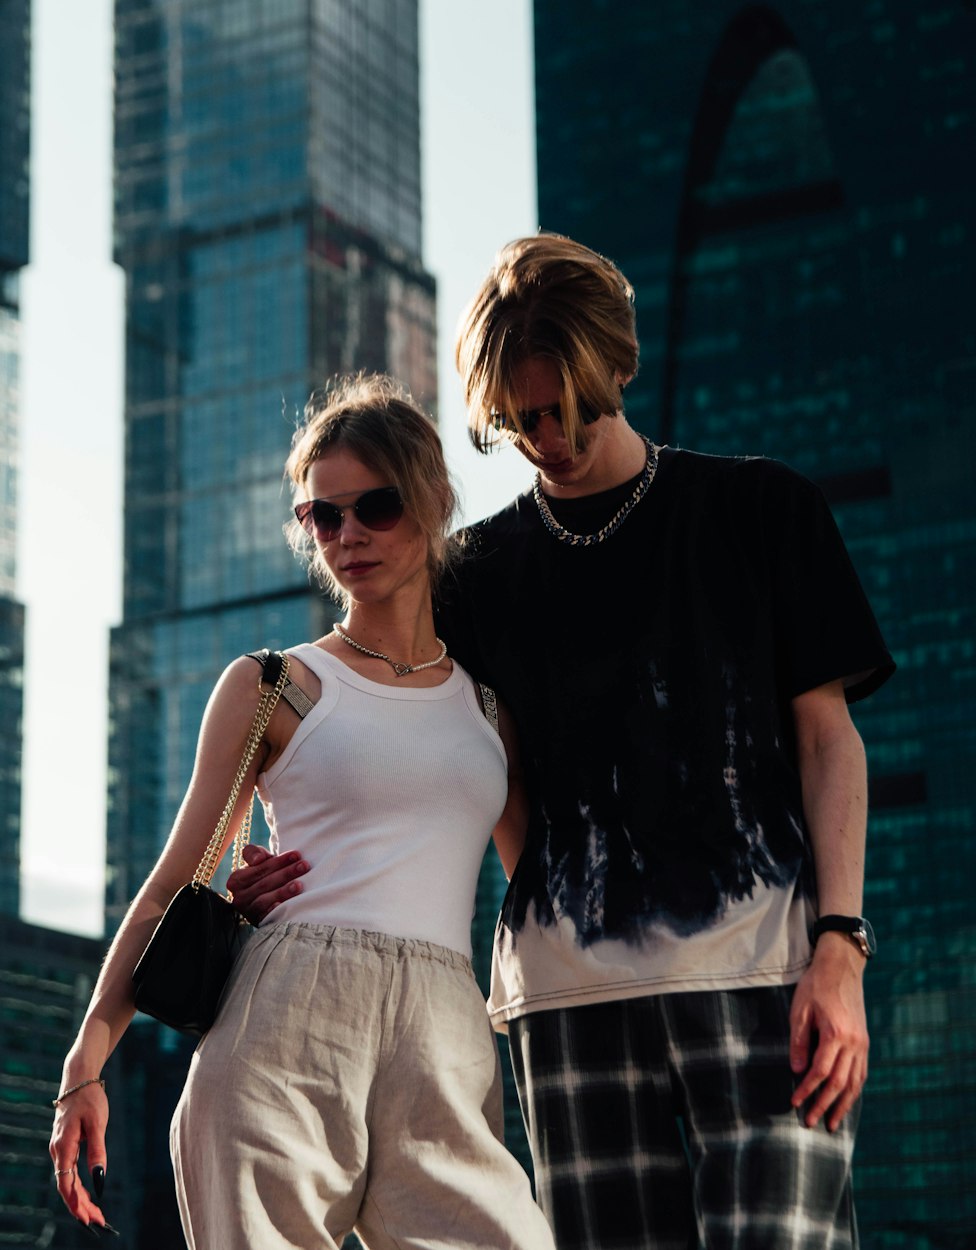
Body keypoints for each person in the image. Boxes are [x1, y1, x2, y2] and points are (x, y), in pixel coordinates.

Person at [230, 235, 895, 1250]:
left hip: (763, 981)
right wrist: (285, 856)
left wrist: (840, 948)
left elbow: (828, 741)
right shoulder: (475, 577)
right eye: (522, 416)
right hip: (565, 1001)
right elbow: (419, 745)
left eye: (570, 405)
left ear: (616, 366)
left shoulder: (761, 511)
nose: (550, 435)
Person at [49, 374, 554, 1250]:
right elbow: (175, 883)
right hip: (285, 1024)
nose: (348, 535)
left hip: (447, 1031)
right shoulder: (275, 684)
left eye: (376, 507)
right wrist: (85, 1060)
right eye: (323, 517)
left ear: (433, 502)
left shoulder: (489, 710)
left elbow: (535, 900)